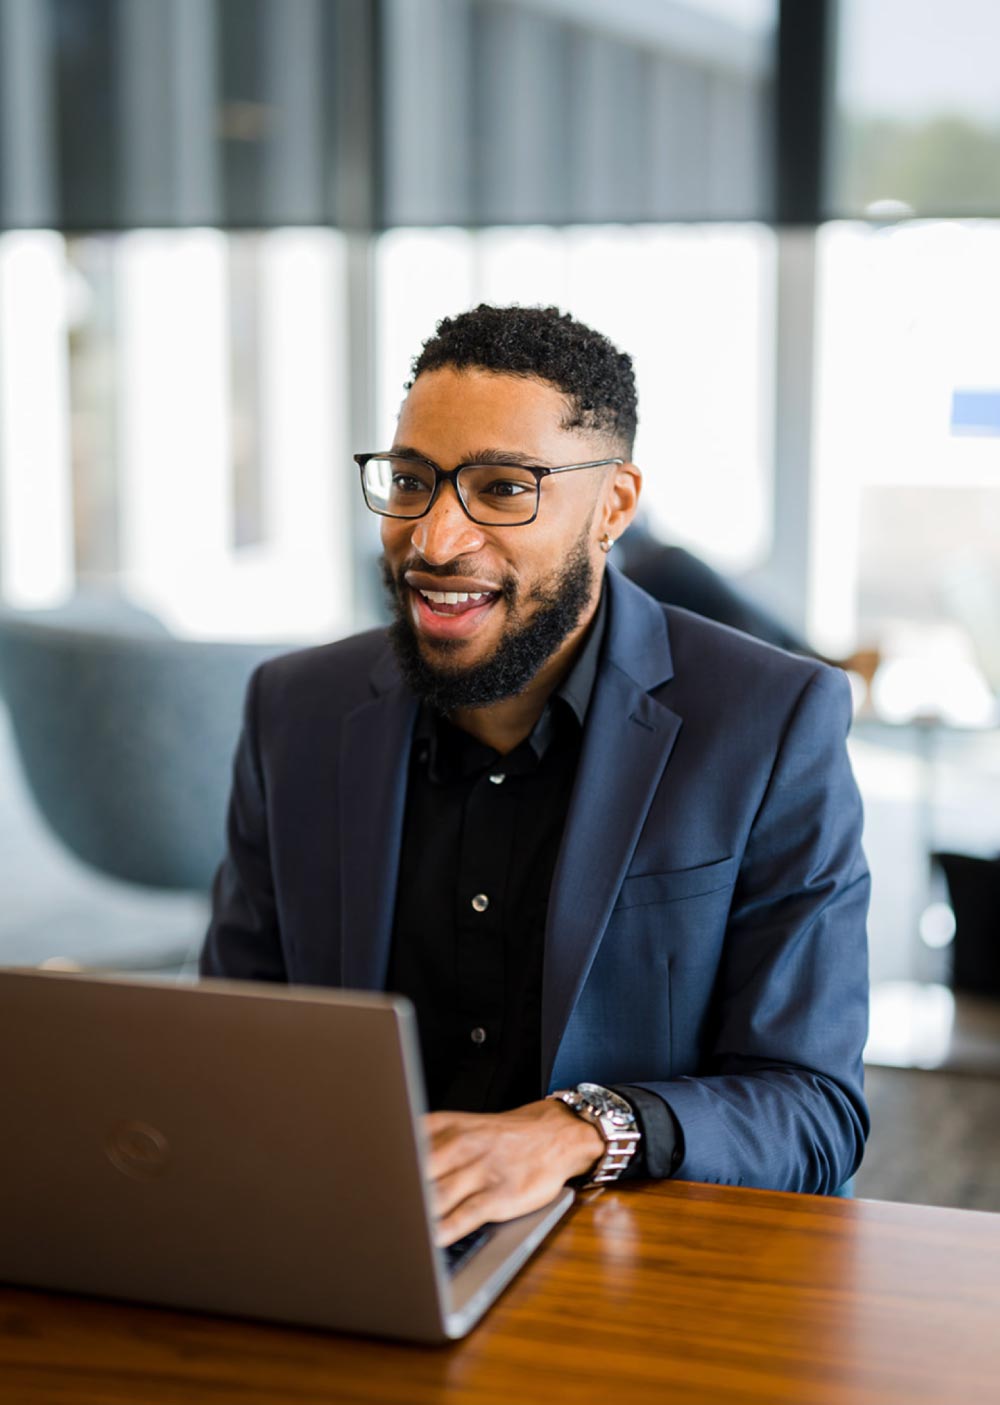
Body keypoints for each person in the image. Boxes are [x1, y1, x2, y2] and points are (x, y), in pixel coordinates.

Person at [202, 304, 870, 1247]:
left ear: (613, 507)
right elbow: (233, 1043)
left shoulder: (771, 721)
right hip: (355, 1242)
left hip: (628, 1259)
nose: (435, 540)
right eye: (411, 481)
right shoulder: (295, 710)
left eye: (503, 489)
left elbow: (814, 1109)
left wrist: (579, 1129)